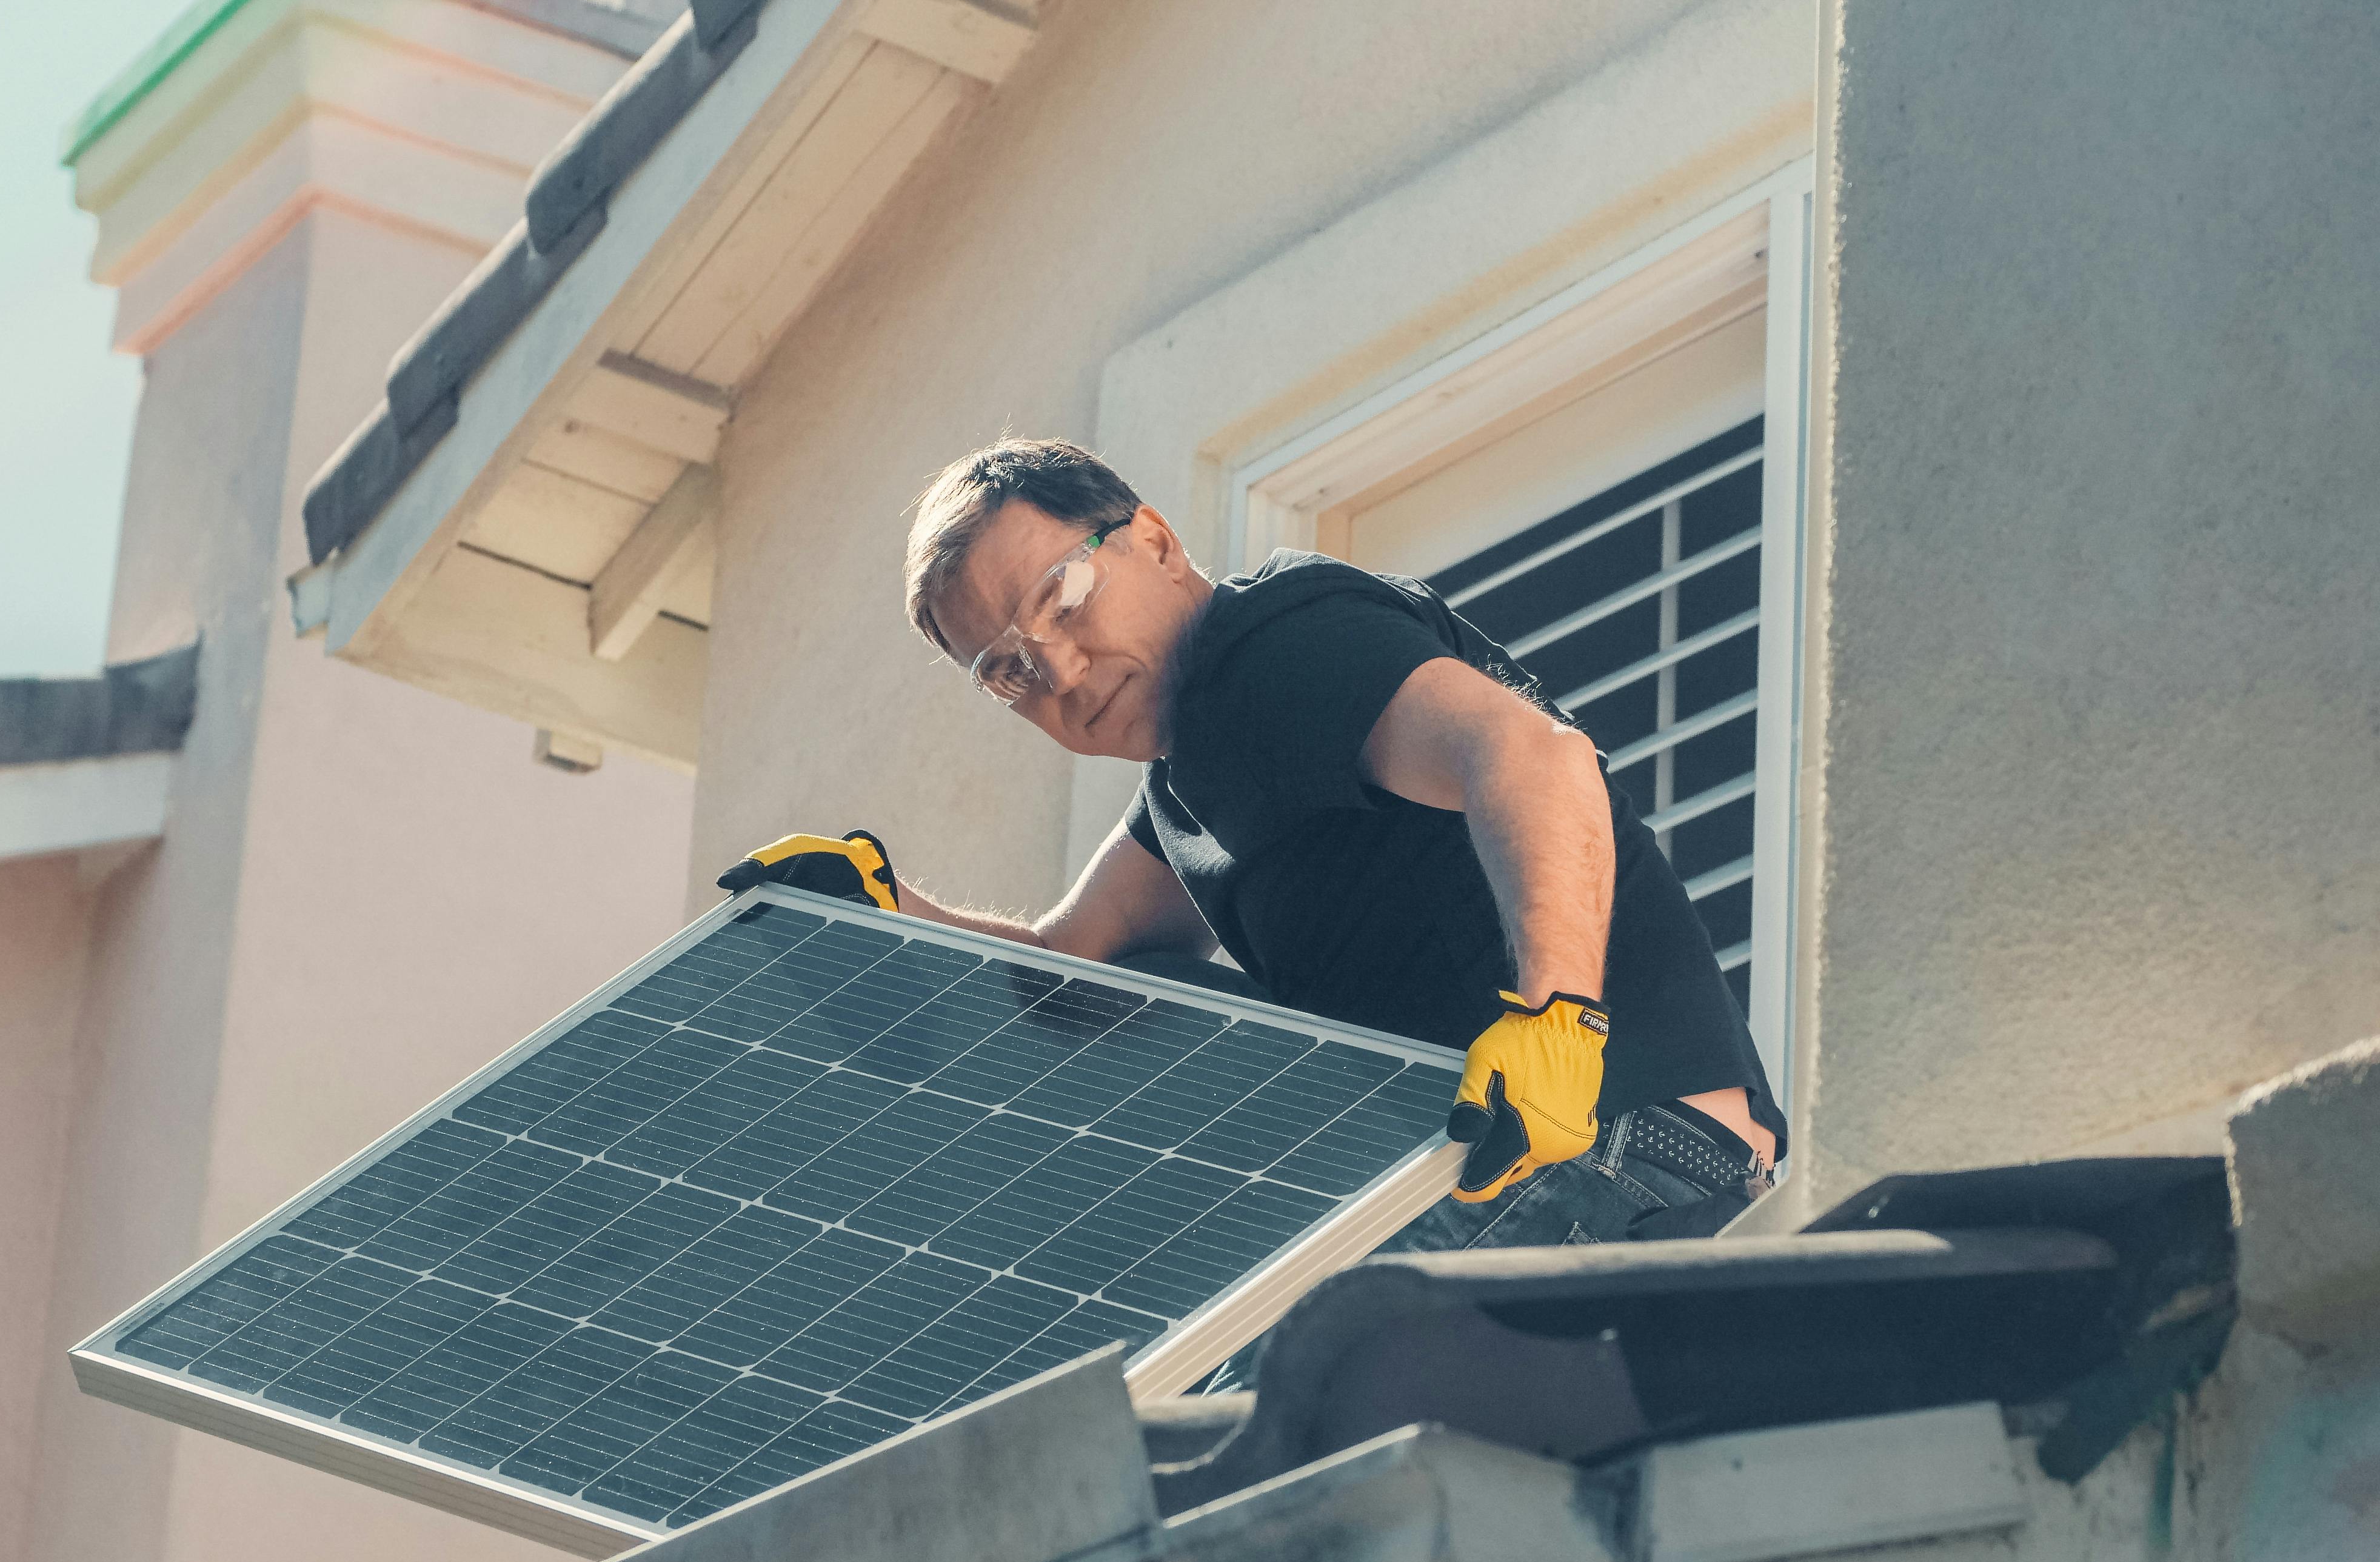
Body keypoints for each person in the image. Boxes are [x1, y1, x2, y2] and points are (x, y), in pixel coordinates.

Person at [719, 438, 1780, 1251]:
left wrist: (1557, 1020)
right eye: (1007, 668)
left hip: (1621, 1144)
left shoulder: (1276, 643)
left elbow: (1531, 757)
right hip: (1545, 1164)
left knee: (1237, 1431)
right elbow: (1071, 971)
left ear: (1158, 541)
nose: (1063, 671)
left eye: (1064, 598)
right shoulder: (1190, 784)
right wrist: (887, 912)